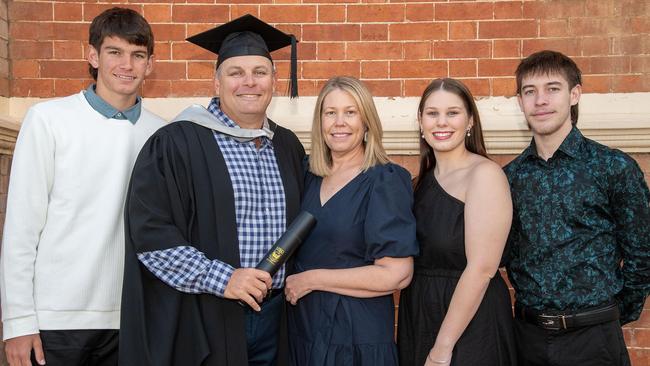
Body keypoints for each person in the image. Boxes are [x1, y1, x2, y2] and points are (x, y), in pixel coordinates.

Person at [118, 14, 304, 366]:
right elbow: (150, 235)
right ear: (217, 83)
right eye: (236, 73)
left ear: (275, 82)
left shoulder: (287, 146)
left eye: (260, 72)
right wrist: (225, 279)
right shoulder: (177, 143)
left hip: (278, 319)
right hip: (206, 316)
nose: (249, 82)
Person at [0, 7, 162, 366]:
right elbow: (22, 229)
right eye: (114, 52)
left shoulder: (160, 134)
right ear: (92, 55)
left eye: (138, 55)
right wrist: (17, 321)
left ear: (150, 64)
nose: (127, 65)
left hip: (132, 319)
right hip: (55, 320)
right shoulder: (48, 120)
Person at [505, 50, 650, 365]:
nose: (540, 100)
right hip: (528, 338)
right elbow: (507, 254)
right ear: (520, 102)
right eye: (530, 91)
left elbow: (643, 253)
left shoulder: (612, 166)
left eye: (552, 89)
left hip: (594, 338)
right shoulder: (510, 177)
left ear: (574, 94)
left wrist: (608, 315)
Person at [284, 76, 418, 365]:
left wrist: (312, 279)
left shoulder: (384, 180)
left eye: (350, 112)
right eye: (330, 113)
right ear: (320, 122)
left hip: (356, 334)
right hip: (304, 328)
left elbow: (397, 274)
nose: (339, 122)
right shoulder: (307, 174)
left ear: (366, 121)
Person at [397, 78, 517, 366]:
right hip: (420, 317)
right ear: (420, 121)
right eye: (432, 113)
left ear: (470, 121)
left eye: (453, 113)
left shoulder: (485, 175)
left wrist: (442, 348)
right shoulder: (417, 184)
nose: (442, 122)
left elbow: (482, 268)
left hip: (469, 325)